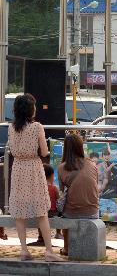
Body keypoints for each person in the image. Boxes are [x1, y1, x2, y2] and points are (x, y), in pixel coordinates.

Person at [7, 94, 62, 261]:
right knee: (41, 211)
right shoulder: (37, 127)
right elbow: (44, 152)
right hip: (33, 167)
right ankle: (49, 251)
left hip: (17, 168)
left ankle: (24, 250)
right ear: (30, 110)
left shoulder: (11, 127)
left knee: (20, 213)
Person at [58, 133, 100, 255]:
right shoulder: (92, 164)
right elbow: (95, 185)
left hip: (71, 213)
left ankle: (66, 248)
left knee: (64, 210)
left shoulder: (62, 168)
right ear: (81, 147)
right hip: (92, 211)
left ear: (66, 149)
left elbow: (62, 192)